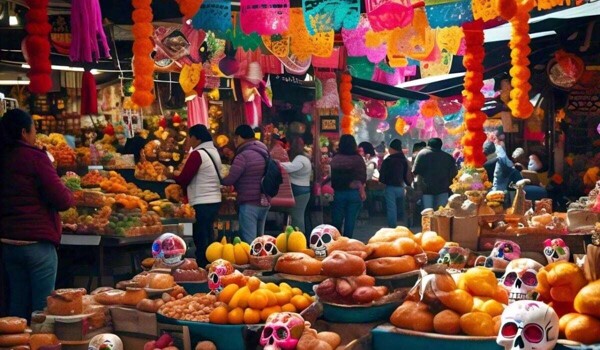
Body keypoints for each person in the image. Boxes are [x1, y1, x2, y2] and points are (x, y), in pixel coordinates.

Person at [0, 109, 74, 319]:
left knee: (17, 304)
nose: (35, 135)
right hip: (37, 245)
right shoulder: (34, 157)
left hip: (8, 242)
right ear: (24, 132)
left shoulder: (3, 156)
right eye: (33, 129)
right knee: (42, 308)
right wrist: (70, 193)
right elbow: (61, 200)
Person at [173, 125, 222, 267]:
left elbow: (184, 178)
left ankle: (202, 265)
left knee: (200, 236)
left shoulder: (197, 154)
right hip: (215, 199)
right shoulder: (214, 152)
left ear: (195, 138)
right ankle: (212, 264)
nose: (188, 140)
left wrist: (173, 175)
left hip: (201, 200)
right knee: (208, 233)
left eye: (189, 137)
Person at [222, 125, 270, 243]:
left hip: (249, 203)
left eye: (235, 139)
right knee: (260, 242)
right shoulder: (264, 151)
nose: (235, 142)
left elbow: (229, 180)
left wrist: (218, 177)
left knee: (250, 243)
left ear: (239, 137)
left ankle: (252, 262)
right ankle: (263, 261)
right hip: (265, 201)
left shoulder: (243, 155)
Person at [330, 135, 367, 238]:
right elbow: (363, 176)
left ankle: (337, 240)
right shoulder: (358, 159)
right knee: (350, 221)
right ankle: (347, 241)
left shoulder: (336, 158)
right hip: (354, 193)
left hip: (339, 192)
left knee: (337, 220)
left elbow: (332, 176)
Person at [412, 138, 457, 210]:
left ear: (428, 145)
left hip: (427, 190)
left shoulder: (422, 154)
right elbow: (453, 174)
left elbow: (415, 171)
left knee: (427, 214)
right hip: (443, 190)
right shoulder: (448, 157)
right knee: (441, 214)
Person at [280, 137, 312, 233]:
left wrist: (276, 163)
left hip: (299, 192)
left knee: (297, 218)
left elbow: (290, 167)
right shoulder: (303, 158)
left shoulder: (300, 159)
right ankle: (297, 239)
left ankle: (299, 240)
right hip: (302, 191)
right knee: (297, 217)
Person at [380, 139, 412, 228]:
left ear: (393, 149)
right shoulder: (404, 160)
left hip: (390, 187)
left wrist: (382, 183)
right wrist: (408, 185)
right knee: (403, 207)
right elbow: (407, 175)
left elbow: (382, 175)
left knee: (391, 208)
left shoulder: (388, 160)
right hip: (402, 187)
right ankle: (405, 226)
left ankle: (392, 227)